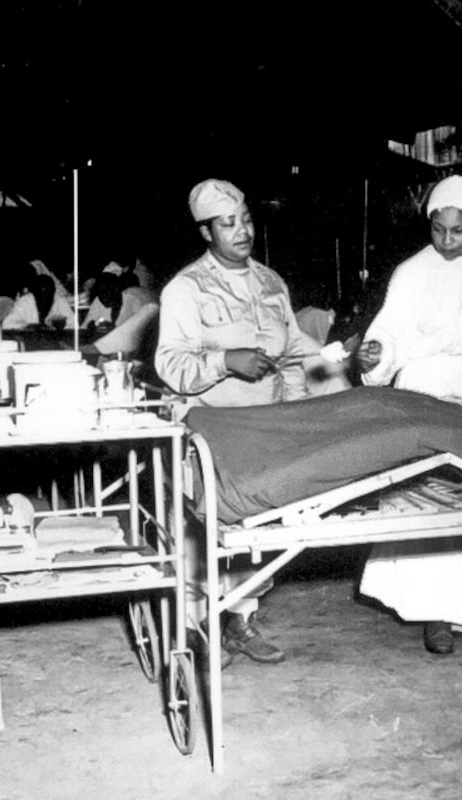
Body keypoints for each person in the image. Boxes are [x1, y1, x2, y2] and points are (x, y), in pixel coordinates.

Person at [354, 174, 462, 655]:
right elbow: (388, 334)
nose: (448, 241)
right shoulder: (411, 272)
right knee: (431, 501)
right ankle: (435, 616)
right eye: (439, 229)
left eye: (460, 231)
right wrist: (375, 355)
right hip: (427, 392)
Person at [156, 178, 312, 667]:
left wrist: (302, 410)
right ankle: (198, 626)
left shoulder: (271, 282)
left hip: (269, 427)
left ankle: (242, 621)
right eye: (228, 224)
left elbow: (293, 355)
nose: (242, 231)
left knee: (262, 531)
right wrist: (225, 360)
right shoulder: (186, 288)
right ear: (206, 232)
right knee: (208, 533)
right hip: (215, 430)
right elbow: (171, 365)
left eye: (245, 220)